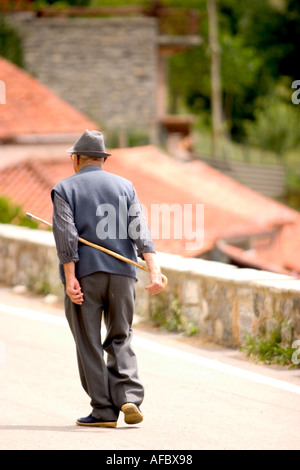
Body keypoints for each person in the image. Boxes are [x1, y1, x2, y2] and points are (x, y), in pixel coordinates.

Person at [51, 129, 164, 428]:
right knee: (121, 335)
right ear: (102, 159)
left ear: (76, 159)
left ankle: (103, 411)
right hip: (123, 276)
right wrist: (153, 268)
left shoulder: (64, 189)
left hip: (86, 277)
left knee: (88, 342)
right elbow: (140, 229)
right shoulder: (125, 186)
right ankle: (128, 396)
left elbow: (67, 237)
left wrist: (70, 277)